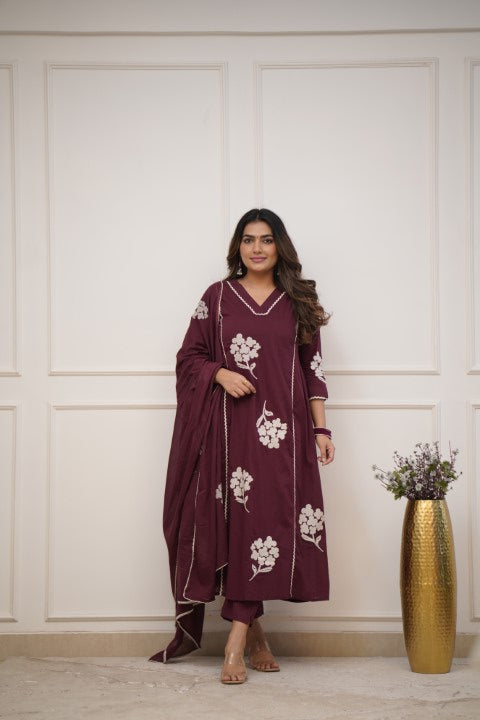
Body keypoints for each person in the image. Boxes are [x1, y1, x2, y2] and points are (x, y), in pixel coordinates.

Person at [148, 208, 335, 684]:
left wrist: (322, 430)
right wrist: (219, 373)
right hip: (228, 435)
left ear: (279, 247)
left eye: (266, 239)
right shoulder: (217, 297)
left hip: (284, 437)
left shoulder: (298, 301)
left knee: (266, 526)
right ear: (238, 247)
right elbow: (188, 357)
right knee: (238, 530)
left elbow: (313, 369)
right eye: (248, 239)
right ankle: (252, 636)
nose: (257, 248)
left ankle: (237, 639)